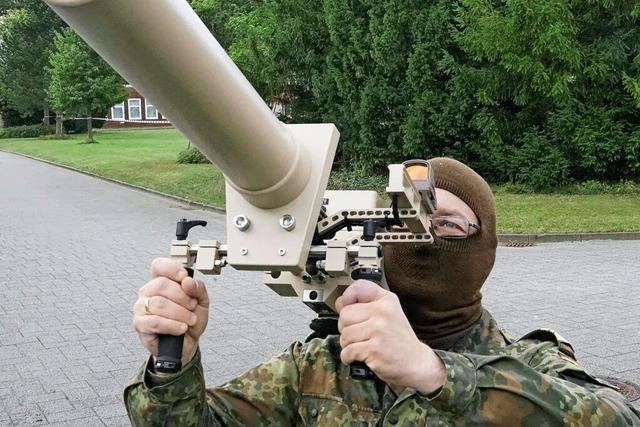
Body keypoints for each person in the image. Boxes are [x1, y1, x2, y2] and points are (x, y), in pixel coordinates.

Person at [125, 158, 640, 426]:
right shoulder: (317, 367)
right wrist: (174, 364)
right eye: (409, 223)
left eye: (449, 225)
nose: (426, 237)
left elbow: (618, 417)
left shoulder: (530, 362)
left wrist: (434, 373)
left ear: (483, 250)